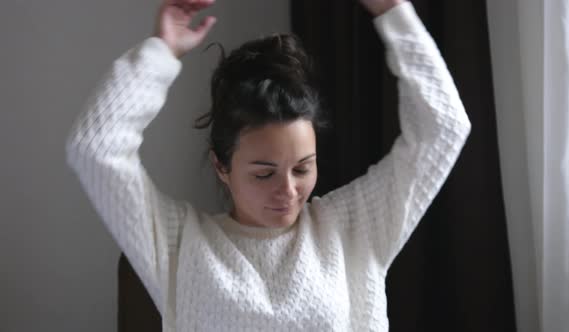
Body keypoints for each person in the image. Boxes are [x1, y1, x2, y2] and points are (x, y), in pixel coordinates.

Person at [65, 0, 471, 330]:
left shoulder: (354, 226)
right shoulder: (176, 242)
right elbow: (95, 147)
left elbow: (444, 129)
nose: (289, 190)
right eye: (264, 173)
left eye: (303, 168)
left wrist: (393, 11)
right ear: (221, 165)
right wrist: (161, 50)